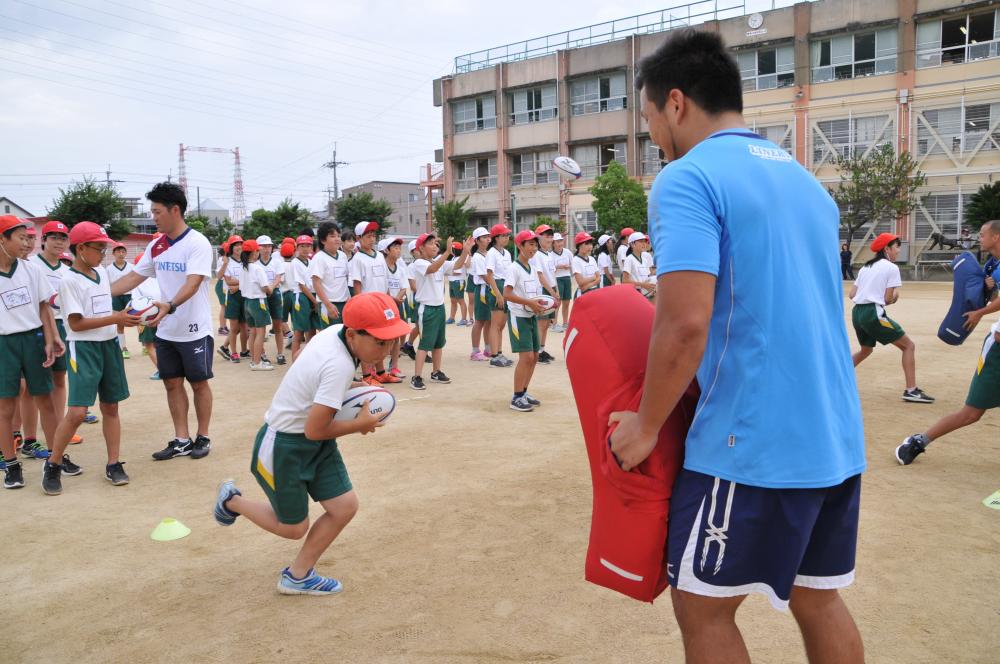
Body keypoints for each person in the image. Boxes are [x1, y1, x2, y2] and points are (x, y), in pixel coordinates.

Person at [609, 30, 866, 663]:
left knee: (702, 608)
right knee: (818, 598)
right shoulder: (808, 184)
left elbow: (685, 323)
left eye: (649, 121)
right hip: (834, 436)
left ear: (675, 103)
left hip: (749, 444)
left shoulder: (687, 178)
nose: (654, 139)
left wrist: (645, 426)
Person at [212, 292, 412, 595]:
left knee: (344, 507)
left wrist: (353, 388)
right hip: (284, 447)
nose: (386, 351)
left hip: (312, 443)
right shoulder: (339, 365)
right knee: (293, 528)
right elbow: (315, 430)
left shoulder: (336, 333)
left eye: (391, 341)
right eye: (380, 342)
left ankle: (297, 576)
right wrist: (360, 424)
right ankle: (231, 501)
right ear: (353, 334)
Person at [111, 182, 217, 461]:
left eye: (157, 212)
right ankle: (181, 439)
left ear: (174, 210)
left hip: (194, 328)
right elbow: (134, 277)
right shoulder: (156, 246)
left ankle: (202, 436)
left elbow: (193, 283)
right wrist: (96, 293)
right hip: (166, 329)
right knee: (171, 383)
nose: (153, 217)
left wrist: (169, 305)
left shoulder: (198, 243)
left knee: (199, 384)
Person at [42, 222, 138, 495]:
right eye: (99, 248)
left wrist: (126, 317)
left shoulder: (101, 274)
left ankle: (113, 463)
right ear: (81, 248)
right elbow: (76, 324)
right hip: (83, 348)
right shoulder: (69, 281)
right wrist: (117, 318)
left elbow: (109, 305)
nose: (103, 253)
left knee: (111, 407)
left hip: (108, 346)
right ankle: (53, 463)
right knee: (77, 412)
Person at [896, 219, 1000, 465]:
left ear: (996, 236)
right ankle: (919, 441)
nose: (979, 238)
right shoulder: (994, 266)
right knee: (971, 413)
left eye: (983, 234)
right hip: (997, 351)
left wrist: (980, 312)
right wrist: (986, 293)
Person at [0, 215, 64, 489]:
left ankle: (54, 462)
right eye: (20, 238)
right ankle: (12, 465)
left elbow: (43, 307)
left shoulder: (31, 270)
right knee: (5, 407)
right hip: (4, 344)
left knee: (45, 401)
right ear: (2, 239)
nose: (26, 242)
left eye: (28, 237)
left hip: (33, 340)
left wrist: (50, 339)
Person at [850, 232, 934, 403]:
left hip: (857, 312)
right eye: (896, 247)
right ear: (887, 248)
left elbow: (852, 294)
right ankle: (911, 390)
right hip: (873, 313)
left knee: (866, 350)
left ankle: (835, 378)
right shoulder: (891, 268)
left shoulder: (866, 267)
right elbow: (888, 299)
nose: (898, 251)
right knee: (908, 346)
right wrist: (894, 296)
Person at [31, 220, 85, 449]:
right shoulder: (31, 265)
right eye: (53, 237)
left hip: (63, 326)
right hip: (35, 327)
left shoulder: (67, 270)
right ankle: (27, 436)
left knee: (60, 379)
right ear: (43, 240)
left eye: (63, 238)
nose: (58, 241)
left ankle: (61, 428)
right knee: (29, 385)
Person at [408, 233, 474, 390]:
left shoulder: (438, 262)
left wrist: (465, 251)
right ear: (421, 248)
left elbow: (457, 265)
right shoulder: (419, 263)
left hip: (439, 308)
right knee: (425, 344)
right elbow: (432, 268)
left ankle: (436, 372)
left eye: (435, 243)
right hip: (427, 309)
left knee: (438, 343)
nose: (434, 246)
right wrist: (446, 252)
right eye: (430, 244)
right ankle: (416, 376)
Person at [504, 231, 548, 411]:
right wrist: (529, 303)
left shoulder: (531, 268)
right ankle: (516, 397)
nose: (533, 248)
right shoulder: (514, 268)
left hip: (531, 316)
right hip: (518, 317)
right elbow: (507, 294)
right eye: (529, 244)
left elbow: (534, 295)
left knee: (535, 356)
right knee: (526, 357)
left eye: (535, 245)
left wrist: (542, 304)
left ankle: (524, 391)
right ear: (520, 246)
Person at [349, 221, 396, 385]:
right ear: (359, 238)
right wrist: (359, 307)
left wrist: (389, 300)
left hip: (381, 304)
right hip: (367, 306)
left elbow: (385, 280)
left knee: (381, 339)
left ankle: (381, 373)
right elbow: (357, 284)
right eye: (368, 236)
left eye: (373, 236)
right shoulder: (358, 259)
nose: (371, 239)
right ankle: (367, 376)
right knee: (367, 342)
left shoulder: (379, 256)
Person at [238, 240, 274, 371]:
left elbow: (241, 287)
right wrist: (271, 290)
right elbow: (265, 287)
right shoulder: (257, 268)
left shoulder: (244, 267)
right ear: (254, 253)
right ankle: (258, 362)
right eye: (258, 250)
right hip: (258, 302)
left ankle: (254, 360)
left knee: (252, 332)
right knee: (260, 332)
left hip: (247, 302)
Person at [310, 222, 351, 332]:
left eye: (338, 235)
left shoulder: (342, 256)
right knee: (331, 337)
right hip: (329, 304)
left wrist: (348, 299)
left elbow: (345, 279)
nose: (337, 239)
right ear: (323, 240)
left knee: (345, 335)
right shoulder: (319, 258)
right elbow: (316, 283)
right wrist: (328, 304)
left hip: (345, 303)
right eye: (332, 236)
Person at [484, 224, 515, 368]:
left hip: (505, 286)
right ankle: (494, 356)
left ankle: (499, 353)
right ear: (495, 238)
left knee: (502, 324)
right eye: (503, 235)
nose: (507, 238)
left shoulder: (507, 253)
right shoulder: (491, 253)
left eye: (507, 235)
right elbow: (489, 275)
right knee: (496, 324)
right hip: (496, 287)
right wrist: (498, 294)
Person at [532, 224, 561, 364]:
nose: (549, 238)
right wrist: (551, 292)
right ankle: (536, 351)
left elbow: (552, 274)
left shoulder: (549, 254)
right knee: (541, 323)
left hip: (552, 289)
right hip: (544, 290)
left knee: (546, 324)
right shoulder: (536, 254)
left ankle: (542, 349)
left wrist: (557, 291)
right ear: (538, 237)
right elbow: (540, 276)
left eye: (551, 235)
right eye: (546, 235)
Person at [380, 237, 408, 379]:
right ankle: (375, 367)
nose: (398, 251)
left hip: (396, 305)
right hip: (384, 306)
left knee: (396, 337)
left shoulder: (400, 268)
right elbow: (381, 288)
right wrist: (392, 299)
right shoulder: (381, 267)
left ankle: (394, 366)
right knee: (381, 338)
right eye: (395, 248)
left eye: (399, 248)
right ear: (386, 250)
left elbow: (404, 287)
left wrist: (397, 299)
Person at [257, 236, 287, 365]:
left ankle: (280, 354)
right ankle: (262, 353)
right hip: (260, 295)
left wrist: (270, 288)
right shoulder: (254, 263)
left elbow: (278, 278)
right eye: (263, 246)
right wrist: (266, 289)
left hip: (274, 293)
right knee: (261, 328)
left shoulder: (277, 261)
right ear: (257, 248)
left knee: (278, 326)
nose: (266, 249)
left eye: (268, 246)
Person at [219, 236, 247, 363]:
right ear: (231, 248)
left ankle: (244, 350)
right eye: (235, 245)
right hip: (232, 297)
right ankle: (234, 353)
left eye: (240, 244)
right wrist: (244, 282)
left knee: (244, 326)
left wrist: (238, 285)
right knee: (234, 327)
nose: (238, 247)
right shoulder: (228, 262)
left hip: (245, 295)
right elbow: (229, 282)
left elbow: (250, 279)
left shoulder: (246, 261)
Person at [288, 235, 316, 358]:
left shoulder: (311, 261)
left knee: (312, 330)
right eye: (302, 246)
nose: (305, 249)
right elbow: (302, 285)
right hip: (301, 297)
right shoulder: (295, 262)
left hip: (311, 295)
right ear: (297, 248)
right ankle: (295, 360)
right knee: (299, 332)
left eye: (308, 246)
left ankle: (309, 359)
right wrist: (315, 301)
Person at [467, 227, 492, 361]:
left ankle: (488, 348)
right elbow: (484, 276)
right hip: (482, 289)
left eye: (488, 236)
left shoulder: (489, 254)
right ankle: (475, 350)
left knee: (489, 320)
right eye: (484, 237)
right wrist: (495, 287)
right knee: (480, 320)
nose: (487, 239)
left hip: (490, 288)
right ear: (477, 241)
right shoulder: (476, 257)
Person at [108, 241, 135, 359]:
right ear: (113, 253)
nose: (121, 253)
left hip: (129, 296)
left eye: (123, 251)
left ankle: (146, 344)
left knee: (139, 320)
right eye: (118, 251)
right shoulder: (108, 269)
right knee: (119, 323)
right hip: (116, 297)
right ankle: (123, 348)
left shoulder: (131, 267)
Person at [621, 232, 657, 299]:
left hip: (645, 293)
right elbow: (624, 281)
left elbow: (648, 276)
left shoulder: (644, 259)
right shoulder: (629, 259)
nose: (644, 244)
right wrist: (643, 285)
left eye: (645, 241)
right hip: (634, 293)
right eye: (641, 241)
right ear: (632, 244)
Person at [551, 233, 573, 332]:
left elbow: (573, 263)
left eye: (561, 240)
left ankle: (565, 323)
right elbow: (550, 269)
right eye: (558, 241)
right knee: (558, 302)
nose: (560, 243)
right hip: (557, 279)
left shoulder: (567, 252)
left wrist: (569, 267)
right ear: (553, 243)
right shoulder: (550, 255)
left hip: (567, 277)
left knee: (567, 302)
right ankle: (554, 324)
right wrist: (560, 266)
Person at [571, 232, 601, 298]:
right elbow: (581, 282)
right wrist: (593, 277)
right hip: (583, 295)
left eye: (591, 244)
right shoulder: (576, 260)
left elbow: (599, 278)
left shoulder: (592, 259)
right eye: (587, 244)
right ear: (579, 245)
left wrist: (588, 285)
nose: (590, 246)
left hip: (594, 291)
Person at [447, 242, 469, 326]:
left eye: (452, 249)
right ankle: (452, 318)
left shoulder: (460, 258)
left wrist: (447, 272)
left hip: (458, 281)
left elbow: (458, 273)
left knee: (461, 301)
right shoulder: (453, 258)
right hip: (452, 281)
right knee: (453, 301)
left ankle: (463, 319)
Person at [215, 245, 229, 336]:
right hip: (222, 284)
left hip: (225, 285)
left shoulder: (227, 259)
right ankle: (222, 327)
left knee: (226, 307)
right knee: (224, 307)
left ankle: (224, 327)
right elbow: (219, 274)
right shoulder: (222, 259)